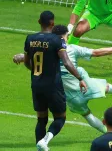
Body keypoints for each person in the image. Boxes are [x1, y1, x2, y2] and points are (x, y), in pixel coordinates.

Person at [14, 25, 112, 135]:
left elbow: (29, 57)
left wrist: (20, 57)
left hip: (66, 94)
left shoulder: (47, 52)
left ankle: (110, 135)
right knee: (111, 88)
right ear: (64, 37)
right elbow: (97, 52)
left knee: (87, 114)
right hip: (83, 84)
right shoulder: (71, 49)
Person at [21, 11, 87, 151]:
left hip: (36, 84)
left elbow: (27, 62)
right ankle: (45, 140)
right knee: (60, 118)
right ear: (52, 23)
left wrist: (37, 71)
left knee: (41, 119)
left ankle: (40, 146)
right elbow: (67, 63)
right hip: (53, 86)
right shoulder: (57, 40)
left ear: (39, 21)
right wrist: (80, 78)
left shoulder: (30, 39)